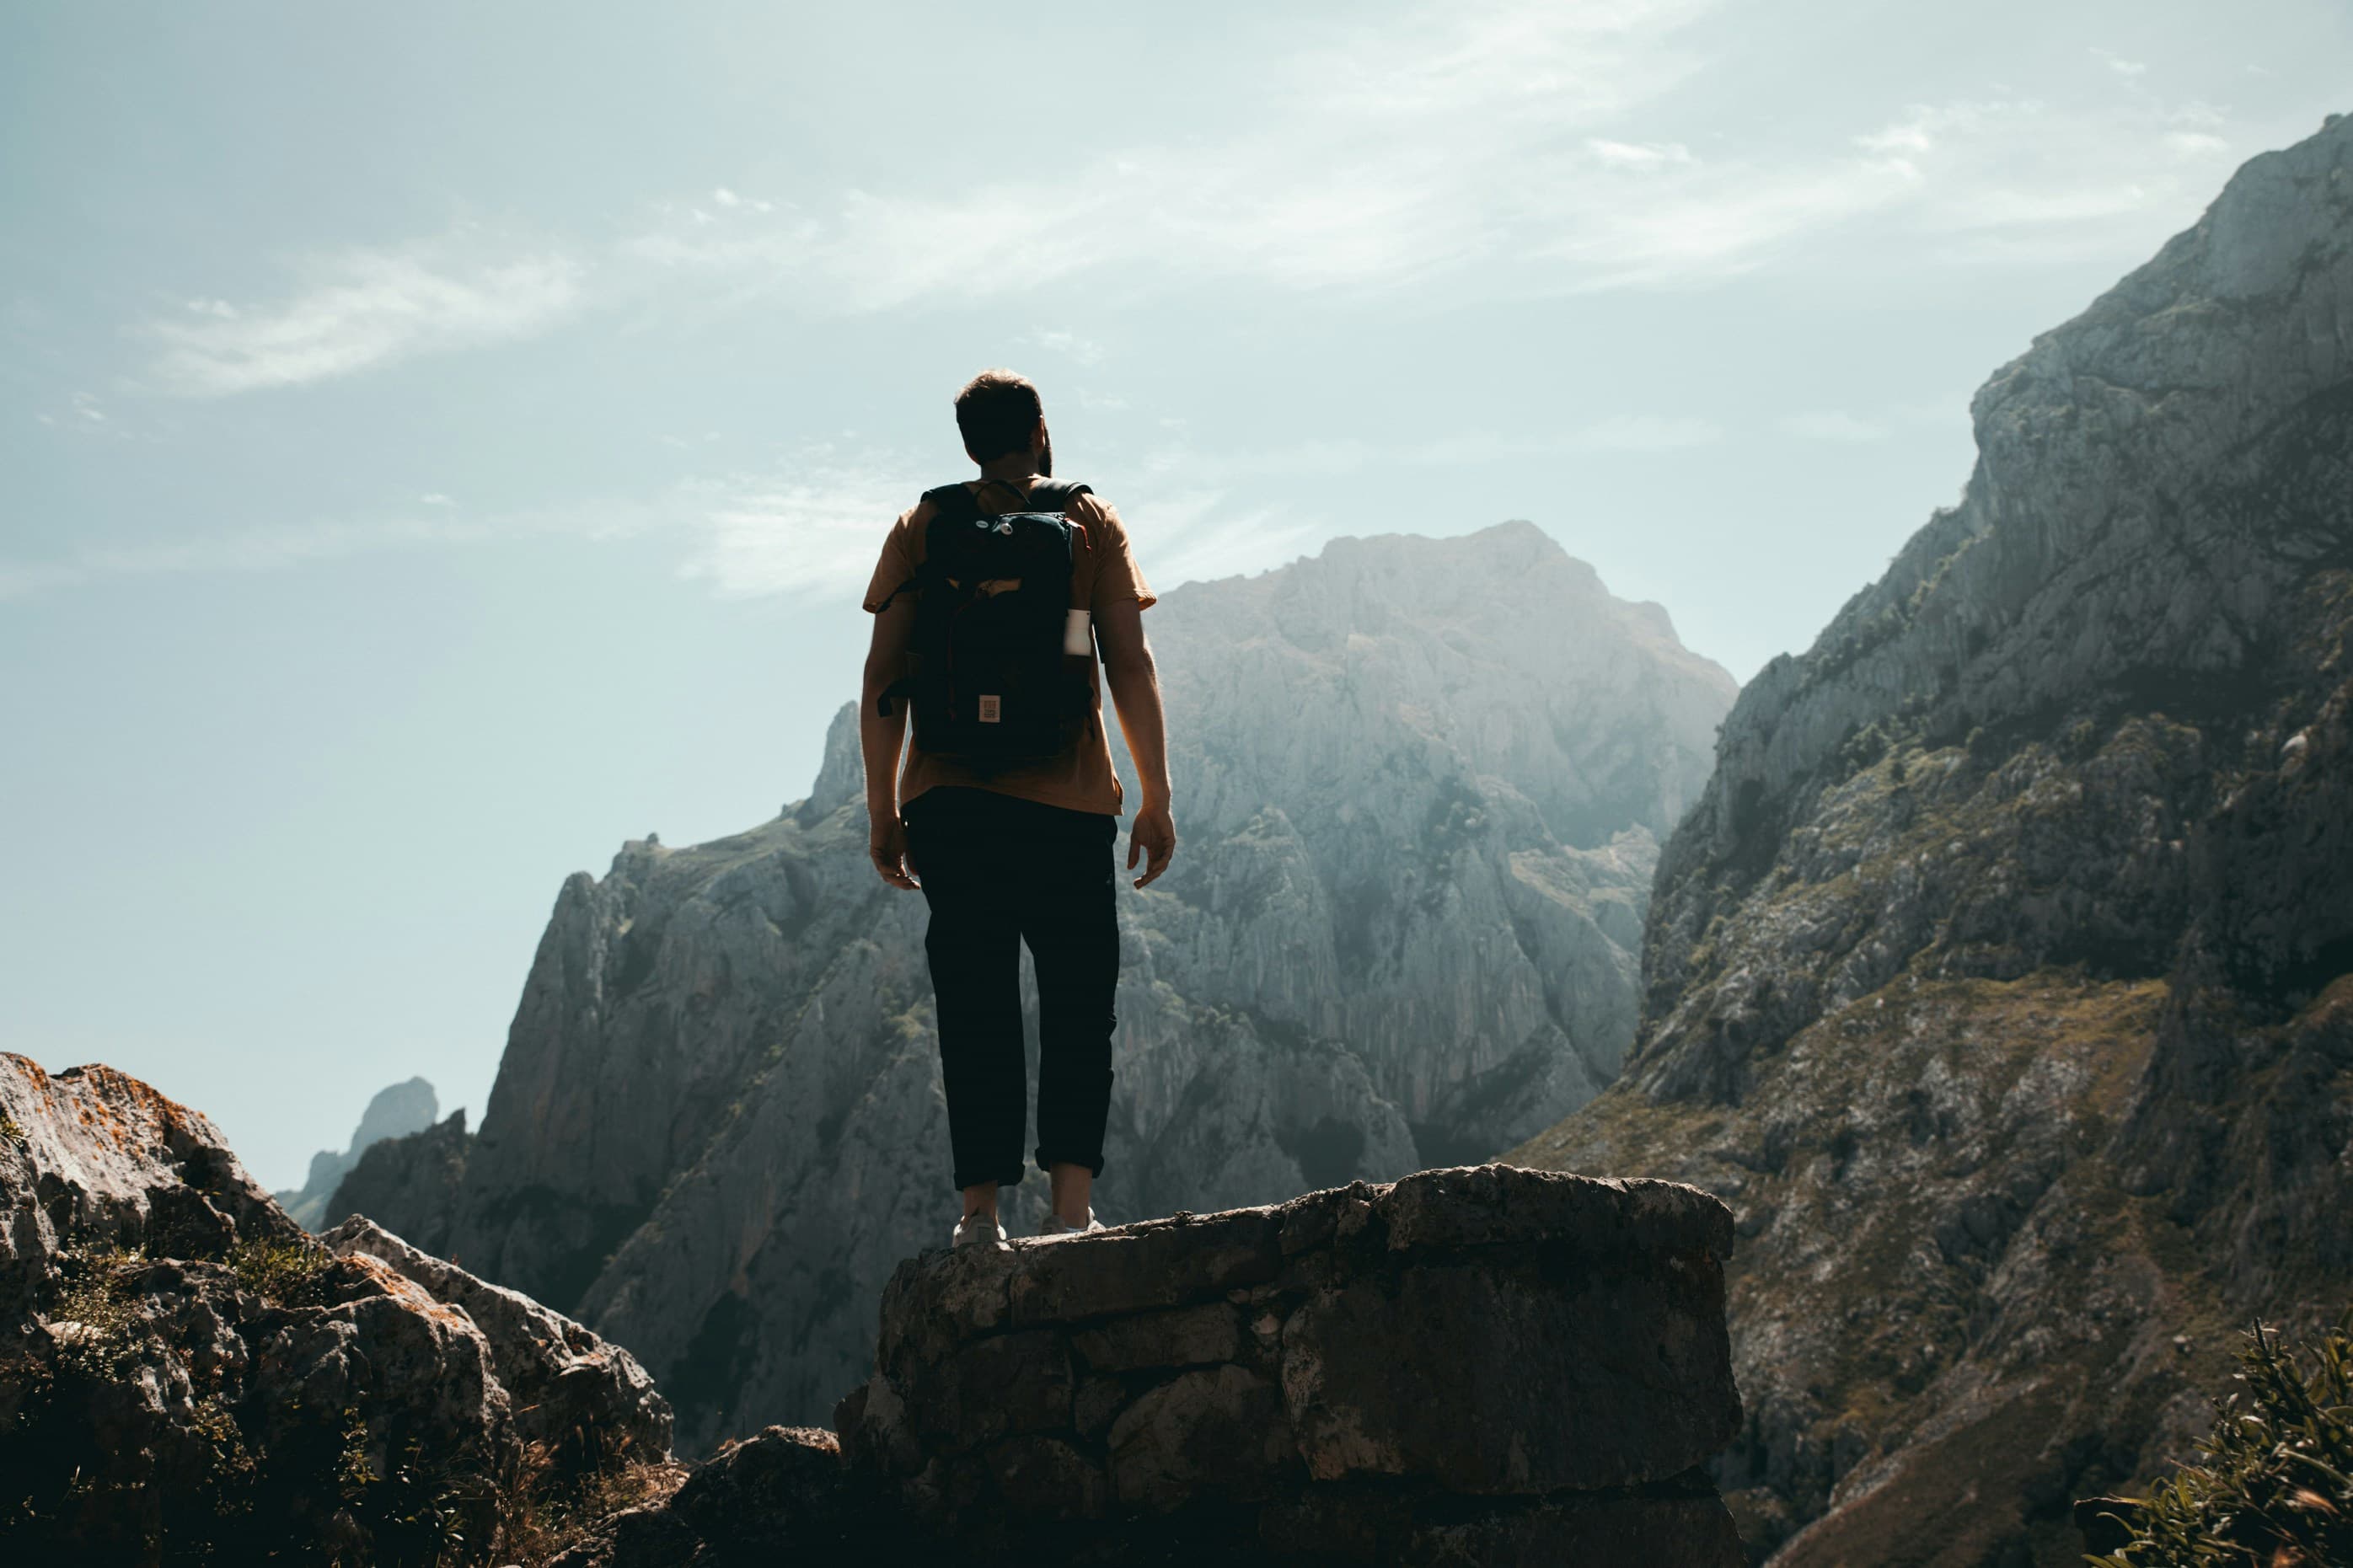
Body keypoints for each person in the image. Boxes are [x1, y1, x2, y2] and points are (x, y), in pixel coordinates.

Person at [860, 368, 1176, 1249]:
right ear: (1040, 430)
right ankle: (1069, 1212)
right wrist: (1155, 796)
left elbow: (884, 677)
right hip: (1068, 802)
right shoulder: (1088, 520)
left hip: (951, 803)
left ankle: (979, 1214)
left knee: (975, 1005)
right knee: (1078, 1002)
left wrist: (883, 811)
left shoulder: (922, 526)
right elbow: (1127, 662)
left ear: (968, 444)